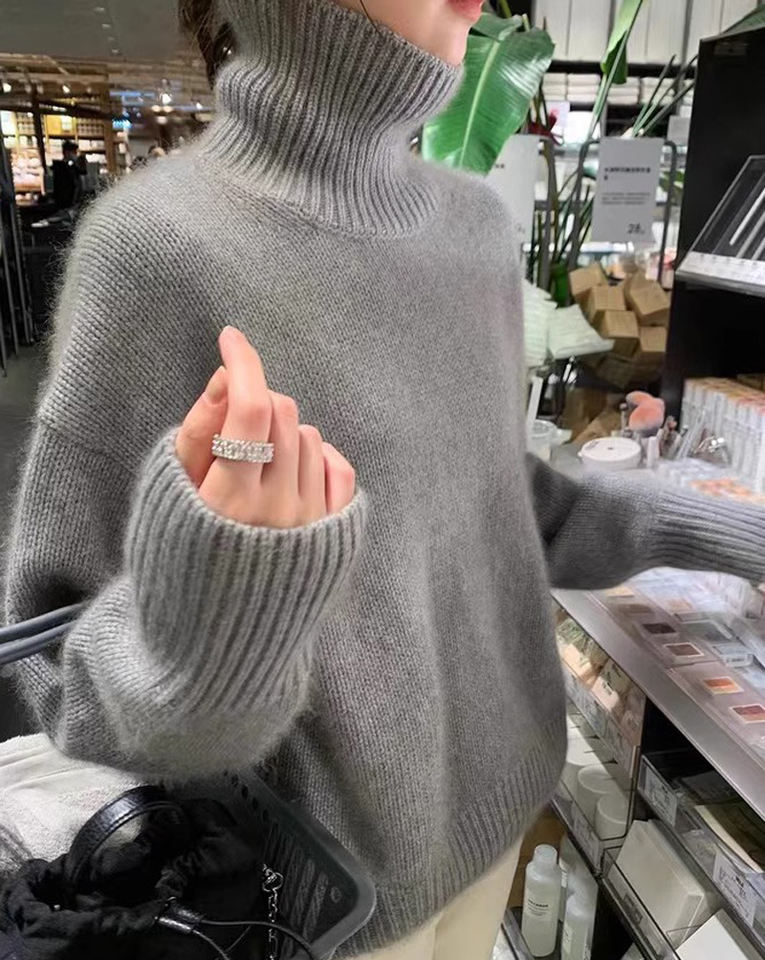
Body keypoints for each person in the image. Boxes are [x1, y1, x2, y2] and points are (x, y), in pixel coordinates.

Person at [4, 1, 764, 957]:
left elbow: (508, 511)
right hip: (325, 900)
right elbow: (57, 663)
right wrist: (225, 604)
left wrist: (737, 529)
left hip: (499, 816)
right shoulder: (156, 248)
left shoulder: (473, 232)